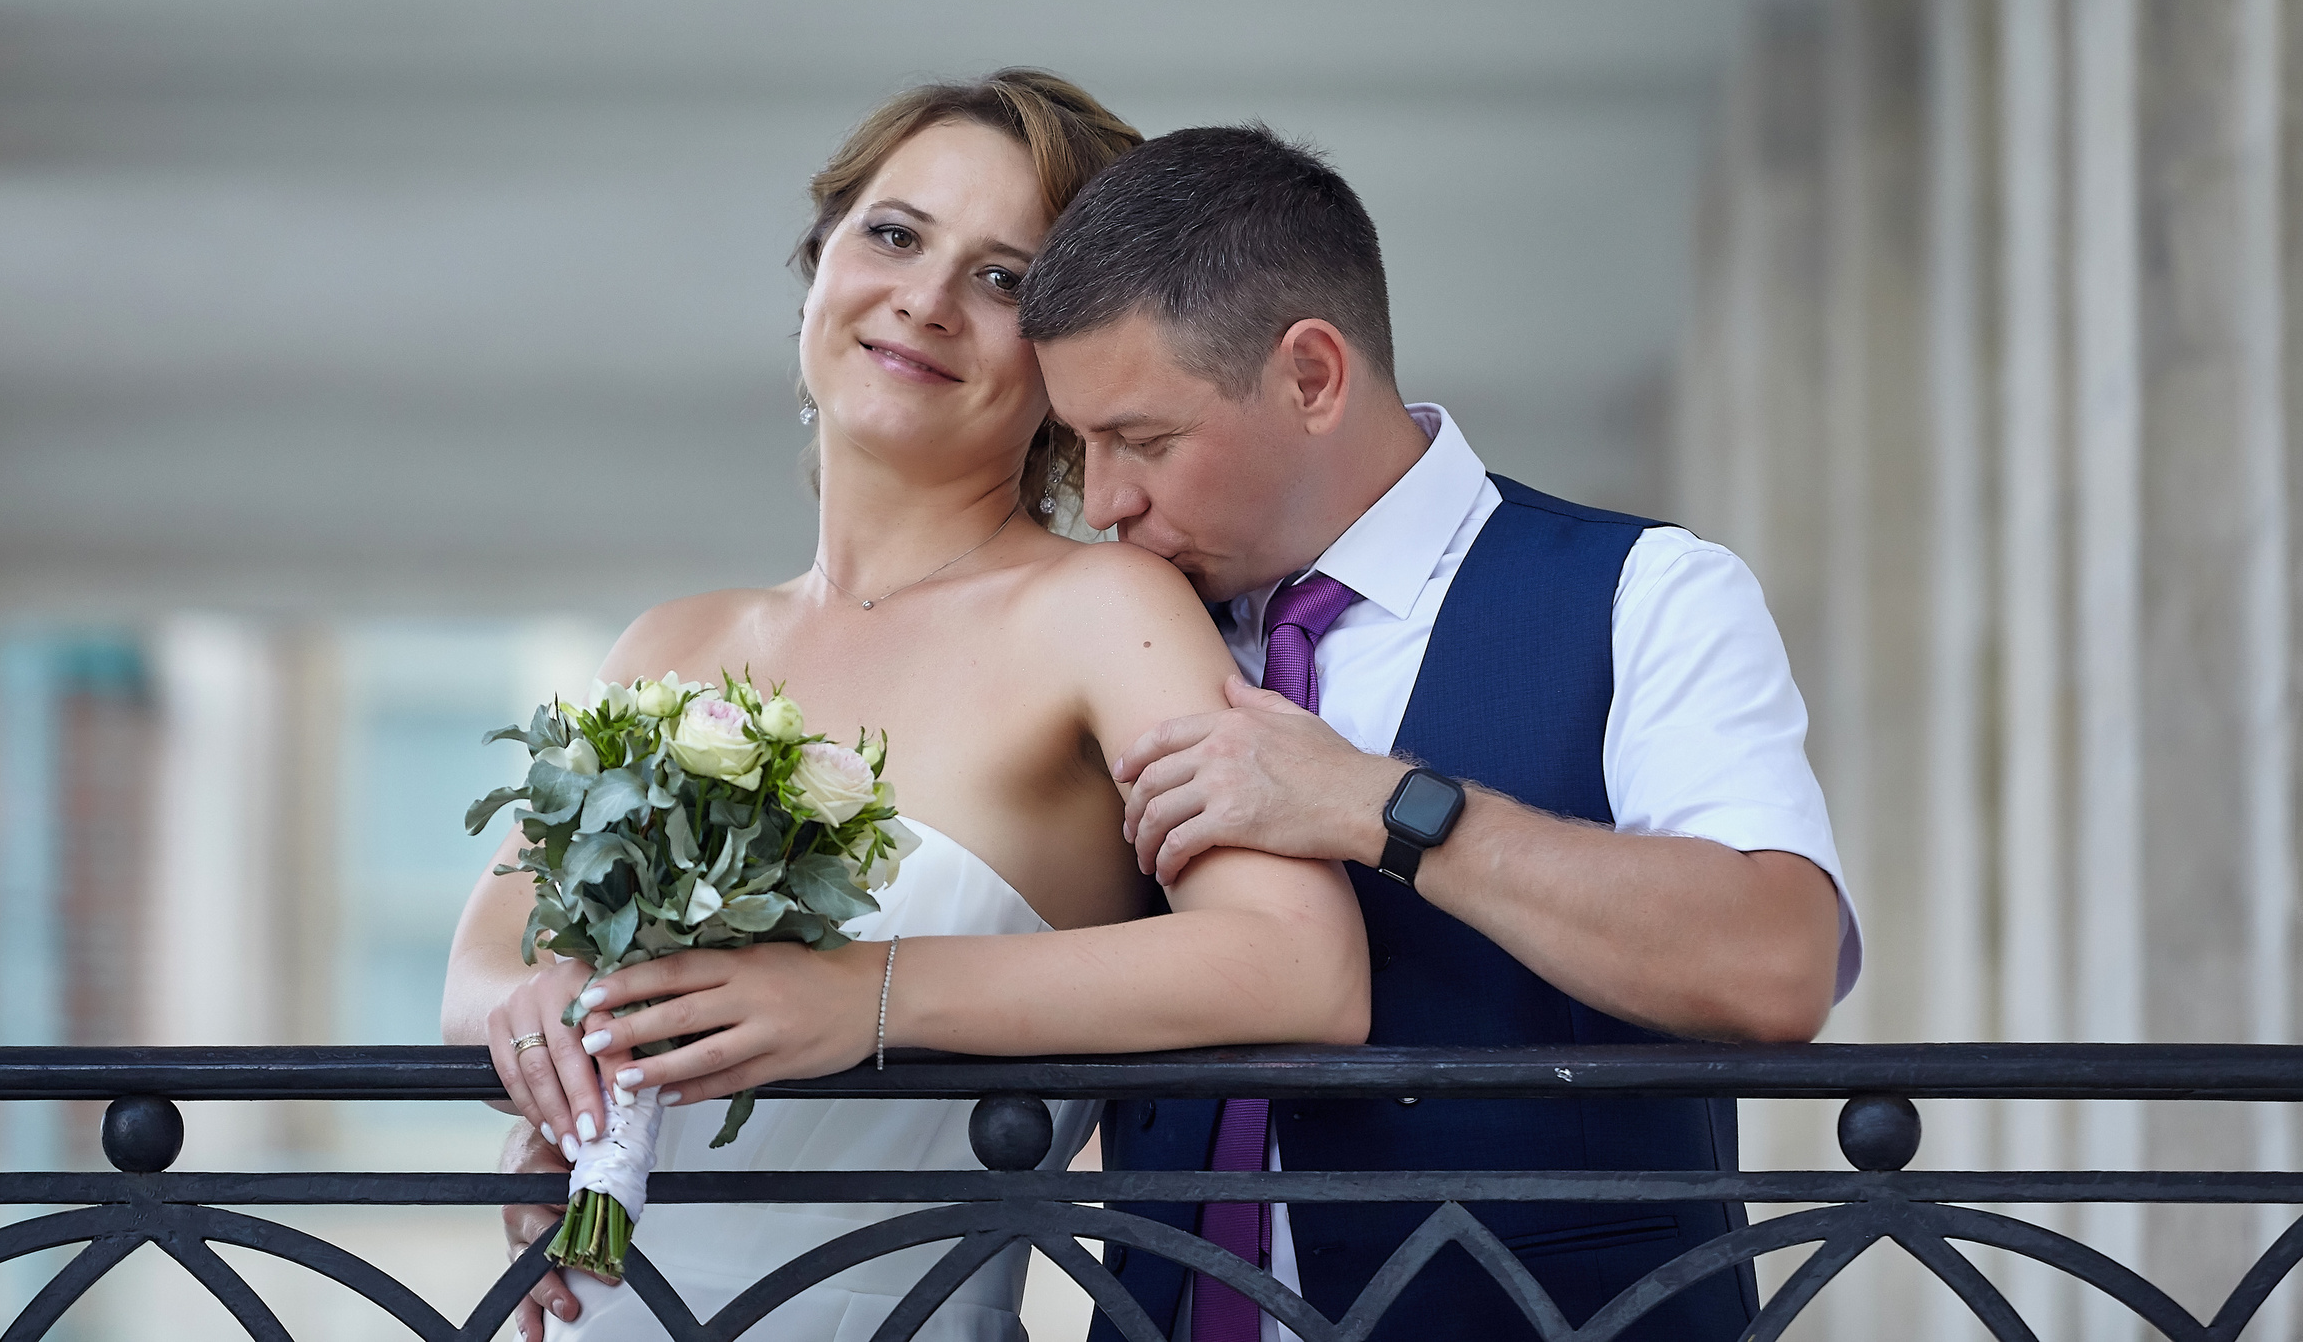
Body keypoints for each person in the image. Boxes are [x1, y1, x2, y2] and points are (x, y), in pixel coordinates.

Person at [440, 75, 1370, 1342]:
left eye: (1002, 280)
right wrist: (555, 1055)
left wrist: (871, 995)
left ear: (1067, 356)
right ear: (818, 267)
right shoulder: (672, 642)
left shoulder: (1105, 610)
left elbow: (1302, 966)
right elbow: (483, 968)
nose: (926, 300)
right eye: (893, 235)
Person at [1018, 125, 1856, 1342]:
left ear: (1312, 375)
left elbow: (1774, 962)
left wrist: (1382, 806)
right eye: (1079, 446)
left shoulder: (1646, 593)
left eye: (1144, 441)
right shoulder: (1122, 643)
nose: (1104, 502)